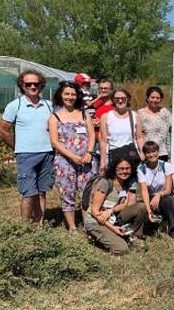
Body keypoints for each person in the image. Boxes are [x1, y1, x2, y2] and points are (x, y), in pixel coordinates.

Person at [0, 70, 54, 224]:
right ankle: (24, 228)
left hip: (47, 153)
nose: (32, 86)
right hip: (26, 155)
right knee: (28, 193)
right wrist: (17, 147)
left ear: (41, 85)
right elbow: (3, 131)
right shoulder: (15, 105)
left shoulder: (48, 105)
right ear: (22, 85)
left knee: (41, 193)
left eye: (35, 84)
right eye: (28, 84)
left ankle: (39, 224)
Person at [49, 81, 98, 232]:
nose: (70, 97)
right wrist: (72, 156)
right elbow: (54, 142)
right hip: (64, 162)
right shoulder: (55, 117)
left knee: (87, 193)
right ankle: (72, 227)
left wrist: (89, 153)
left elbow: (91, 136)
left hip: (86, 161)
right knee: (67, 192)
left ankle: (88, 225)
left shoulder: (84, 114)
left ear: (77, 96)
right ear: (60, 96)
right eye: (67, 94)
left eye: (73, 94)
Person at [84, 157, 148, 255]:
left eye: (127, 168)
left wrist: (110, 211)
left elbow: (124, 204)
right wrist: (113, 229)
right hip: (95, 220)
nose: (125, 171)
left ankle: (135, 237)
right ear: (115, 169)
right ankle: (94, 236)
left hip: (112, 217)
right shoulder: (105, 183)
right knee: (122, 249)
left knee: (141, 207)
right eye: (121, 168)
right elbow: (94, 211)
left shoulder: (125, 183)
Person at [137, 141, 174, 241]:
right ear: (144, 154)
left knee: (169, 201)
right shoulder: (141, 169)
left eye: (154, 151)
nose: (151, 154)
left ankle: (172, 229)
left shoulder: (166, 166)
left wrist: (158, 195)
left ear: (158, 152)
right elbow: (144, 191)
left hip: (165, 196)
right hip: (150, 197)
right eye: (148, 152)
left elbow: (168, 189)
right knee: (145, 213)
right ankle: (156, 221)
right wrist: (148, 210)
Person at [99, 89, 145, 171]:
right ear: (113, 100)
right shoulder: (106, 117)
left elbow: (139, 137)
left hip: (131, 156)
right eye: (117, 99)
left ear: (127, 99)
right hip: (113, 156)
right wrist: (102, 161)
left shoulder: (134, 116)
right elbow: (103, 141)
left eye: (123, 98)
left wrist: (142, 152)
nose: (120, 101)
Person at [138, 86, 172, 162]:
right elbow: (138, 135)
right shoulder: (140, 113)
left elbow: (173, 128)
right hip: (148, 153)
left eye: (158, 98)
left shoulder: (165, 112)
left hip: (163, 152)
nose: (155, 100)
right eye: (152, 97)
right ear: (147, 98)